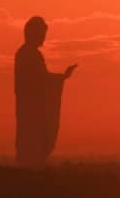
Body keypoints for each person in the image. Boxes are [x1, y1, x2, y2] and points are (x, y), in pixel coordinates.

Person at [14, 16, 77, 167]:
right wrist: (63, 78)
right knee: (31, 144)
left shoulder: (28, 54)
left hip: (30, 108)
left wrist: (61, 77)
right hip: (31, 110)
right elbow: (39, 81)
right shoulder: (28, 54)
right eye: (42, 34)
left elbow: (42, 79)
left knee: (32, 144)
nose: (43, 38)